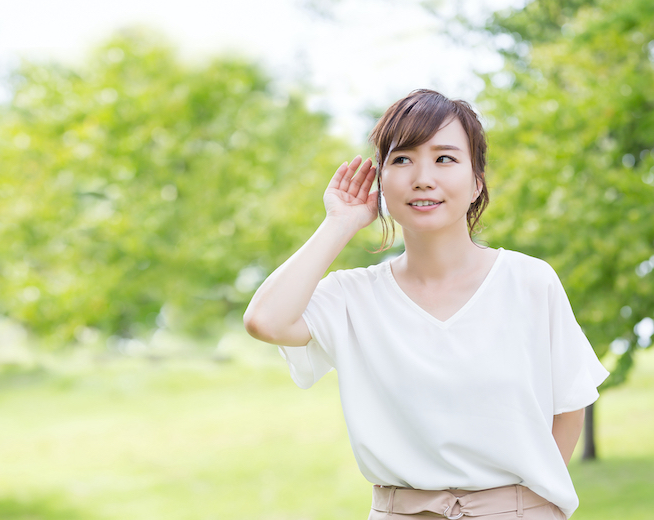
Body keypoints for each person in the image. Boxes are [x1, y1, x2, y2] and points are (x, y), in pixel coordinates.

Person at [243, 89, 609, 519]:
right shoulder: (353, 296)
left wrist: (521, 504)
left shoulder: (529, 281)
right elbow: (265, 320)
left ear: (476, 183)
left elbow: (568, 406)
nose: (422, 177)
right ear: (381, 181)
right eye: (402, 159)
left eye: (445, 158)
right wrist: (339, 223)